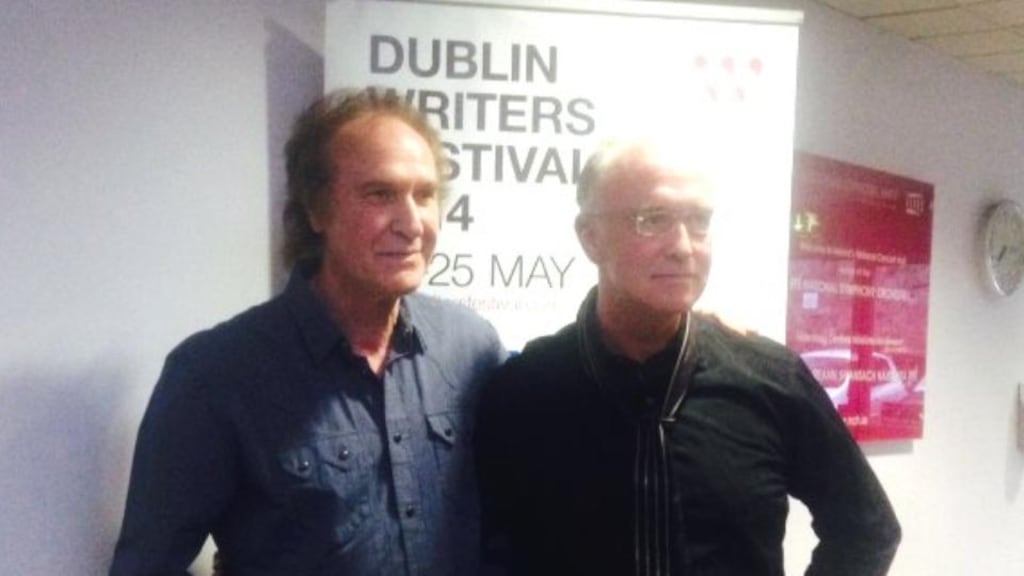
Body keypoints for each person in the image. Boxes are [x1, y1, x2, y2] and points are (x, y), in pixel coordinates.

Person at [110, 88, 507, 576]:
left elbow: (511, 528)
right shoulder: (215, 374)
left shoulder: (471, 348)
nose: (411, 223)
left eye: (425, 195)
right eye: (379, 194)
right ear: (316, 211)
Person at [474, 137, 901, 576]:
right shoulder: (525, 391)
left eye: (699, 221)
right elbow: (490, 551)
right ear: (591, 237)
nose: (683, 247)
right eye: (653, 219)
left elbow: (867, 530)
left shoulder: (769, 378)